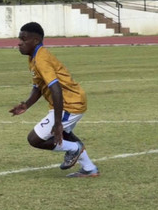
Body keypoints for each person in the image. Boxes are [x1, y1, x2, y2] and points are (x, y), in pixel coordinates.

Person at [9, 22, 99, 178]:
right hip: (71, 101)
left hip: (70, 104)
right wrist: (26, 105)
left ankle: (75, 149)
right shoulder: (33, 57)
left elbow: (55, 88)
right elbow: (38, 87)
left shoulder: (41, 59)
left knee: (34, 139)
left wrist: (58, 122)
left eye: (24, 39)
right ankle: (90, 169)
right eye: (20, 39)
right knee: (65, 136)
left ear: (36, 40)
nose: (20, 43)